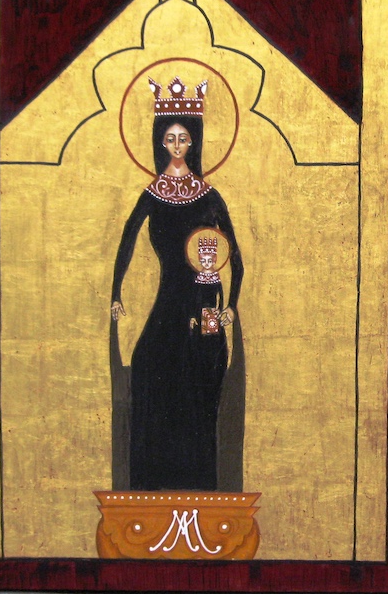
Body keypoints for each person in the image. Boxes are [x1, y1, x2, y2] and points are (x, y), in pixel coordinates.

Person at [111, 77, 243, 491]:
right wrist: (115, 292)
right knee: (148, 363)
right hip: (167, 301)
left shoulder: (209, 195)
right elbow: (127, 241)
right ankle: (151, 481)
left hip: (204, 302)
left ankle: (199, 483)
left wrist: (231, 305)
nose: (177, 145)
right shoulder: (153, 193)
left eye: (184, 138)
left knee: (201, 377)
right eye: (169, 138)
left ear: (194, 141)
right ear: (160, 142)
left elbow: (236, 257)